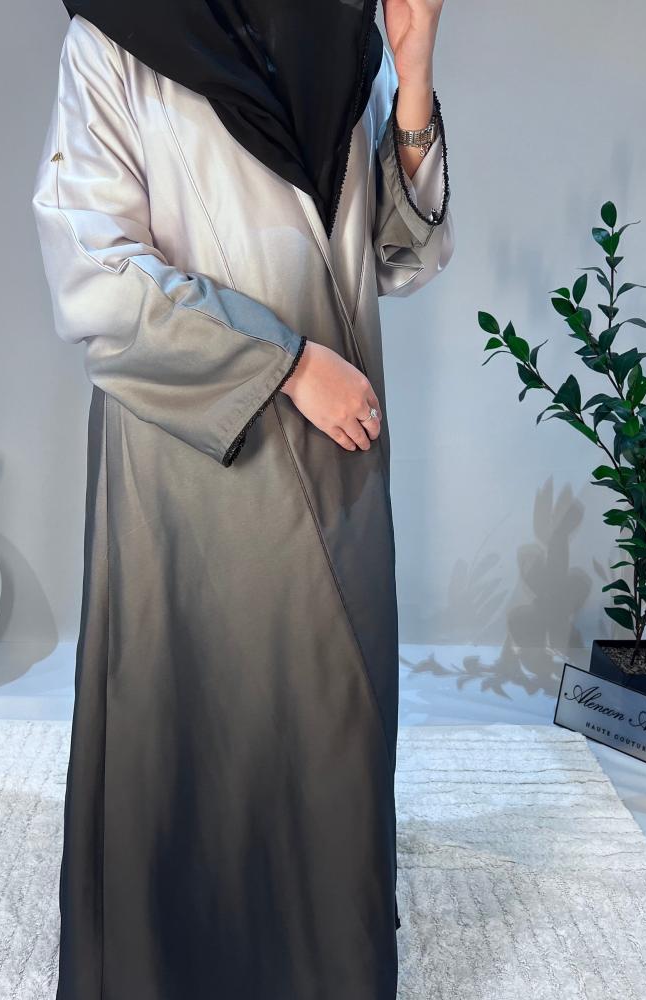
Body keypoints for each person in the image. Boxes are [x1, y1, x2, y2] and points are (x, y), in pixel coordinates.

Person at [31, 0, 454, 996]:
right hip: (192, 457)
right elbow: (94, 271)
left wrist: (413, 77)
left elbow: (398, 258)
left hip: (336, 453)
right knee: (188, 731)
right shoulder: (117, 36)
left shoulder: (341, 29)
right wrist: (286, 362)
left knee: (328, 732)